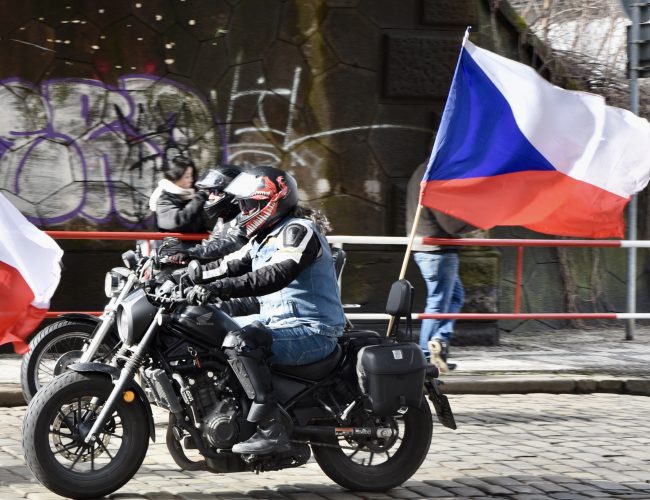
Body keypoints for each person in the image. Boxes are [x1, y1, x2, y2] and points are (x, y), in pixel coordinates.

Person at [185, 166, 346, 455]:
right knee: (213, 328)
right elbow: (227, 265)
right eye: (243, 204)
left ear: (272, 201)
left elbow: (276, 274)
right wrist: (185, 272)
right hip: (279, 322)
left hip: (313, 329)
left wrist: (219, 288)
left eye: (249, 204)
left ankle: (273, 430)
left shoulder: (298, 231)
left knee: (241, 342)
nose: (243, 210)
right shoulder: (264, 237)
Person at [406, 161, 474, 373]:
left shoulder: (424, 168)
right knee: (438, 302)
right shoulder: (437, 172)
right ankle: (426, 355)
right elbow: (450, 224)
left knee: (453, 297)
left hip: (428, 247)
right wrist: (481, 220)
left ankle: (437, 343)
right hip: (438, 249)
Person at [148, 155, 209, 236]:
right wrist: (200, 197)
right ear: (175, 177)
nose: (191, 179)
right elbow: (176, 222)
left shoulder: (190, 195)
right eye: (187, 176)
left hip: (195, 246)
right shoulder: (163, 199)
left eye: (191, 175)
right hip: (174, 247)